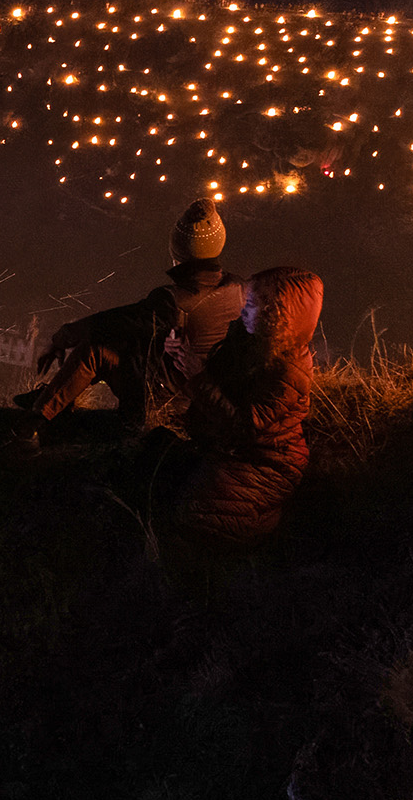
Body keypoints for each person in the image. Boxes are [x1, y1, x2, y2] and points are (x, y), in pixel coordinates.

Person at [17, 198, 246, 429]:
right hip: (205, 399)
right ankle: (53, 396)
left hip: (164, 401)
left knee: (96, 351)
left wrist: (61, 337)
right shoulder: (239, 290)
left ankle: (34, 423)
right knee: (137, 336)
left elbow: (110, 322)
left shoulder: (172, 301)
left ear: (177, 251)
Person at [172, 266, 324, 543]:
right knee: (160, 473)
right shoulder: (250, 343)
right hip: (236, 450)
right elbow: (215, 391)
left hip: (269, 462)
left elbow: (243, 426)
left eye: (252, 304)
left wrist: (196, 377)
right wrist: (182, 361)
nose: (243, 310)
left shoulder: (290, 371)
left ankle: (265, 530)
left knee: (199, 515)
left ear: (277, 315)